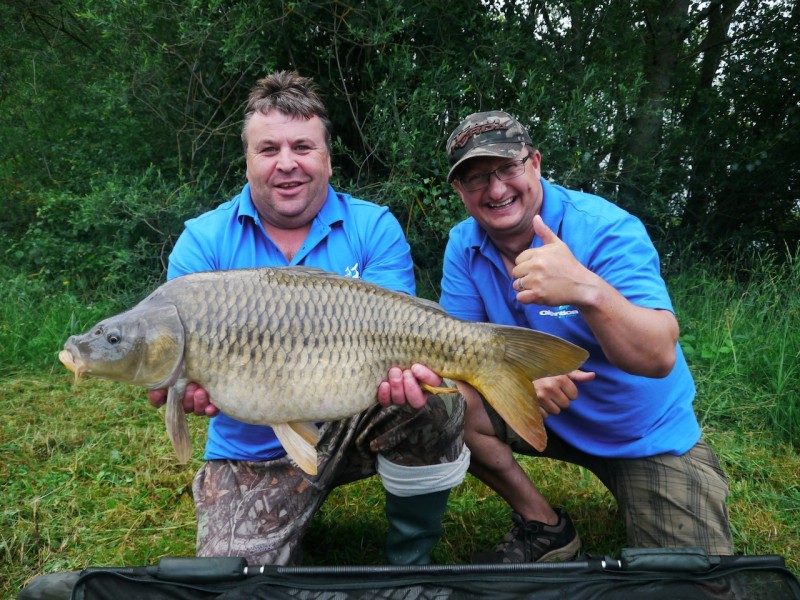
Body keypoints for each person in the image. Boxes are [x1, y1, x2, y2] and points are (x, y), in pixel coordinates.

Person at [18, 71, 468, 599]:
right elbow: (170, 382)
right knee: (235, 584)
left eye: (303, 146)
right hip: (250, 447)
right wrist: (184, 391)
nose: (286, 162)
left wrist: (416, 374)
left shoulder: (373, 227)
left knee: (435, 406)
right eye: (268, 148)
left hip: (353, 416)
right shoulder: (201, 244)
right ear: (249, 159)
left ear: (326, 156)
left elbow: (403, 338)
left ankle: (407, 566)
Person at [435, 110, 733, 563]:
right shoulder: (464, 244)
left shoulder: (606, 228)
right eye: (475, 178)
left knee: (692, 580)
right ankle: (546, 527)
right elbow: (457, 354)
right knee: (441, 403)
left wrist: (586, 289)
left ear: (534, 163)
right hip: (541, 411)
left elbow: (657, 356)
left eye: (507, 169)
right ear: (459, 190)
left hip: (639, 430)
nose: (495, 190)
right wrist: (518, 383)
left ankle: (657, 486)